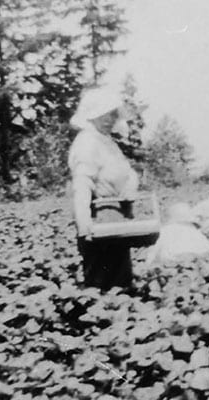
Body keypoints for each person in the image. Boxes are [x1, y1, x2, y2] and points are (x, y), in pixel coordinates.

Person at [68, 88, 139, 290]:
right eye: (104, 114)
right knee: (104, 282)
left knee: (120, 279)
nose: (110, 119)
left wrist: (131, 185)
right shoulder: (87, 142)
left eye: (113, 114)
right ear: (92, 114)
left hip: (117, 216)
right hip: (101, 217)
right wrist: (84, 224)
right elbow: (82, 184)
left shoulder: (106, 142)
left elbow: (125, 172)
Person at [144, 202, 209, 266]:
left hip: (172, 259)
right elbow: (206, 245)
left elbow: (156, 248)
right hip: (196, 257)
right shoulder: (194, 229)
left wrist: (148, 263)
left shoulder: (166, 229)